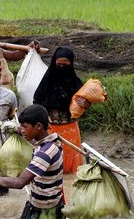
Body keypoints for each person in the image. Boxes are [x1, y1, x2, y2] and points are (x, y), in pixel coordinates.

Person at [0, 104, 64, 219]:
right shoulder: (52, 143)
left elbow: (19, 183)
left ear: (38, 126)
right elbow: (35, 177)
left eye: (24, 127)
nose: (21, 130)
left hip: (45, 211)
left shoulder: (44, 153)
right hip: (46, 204)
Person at [33, 47, 91, 175]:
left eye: (65, 65)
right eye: (58, 65)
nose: (61, 68)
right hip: (50, 129)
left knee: (72, 166)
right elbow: (37, 100)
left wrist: (86, 104)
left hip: (71, 130)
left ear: (71, 64)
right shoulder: (47, 81)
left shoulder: (76, 83)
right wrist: (43, 117)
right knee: (50, 161)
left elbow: (84, 102)